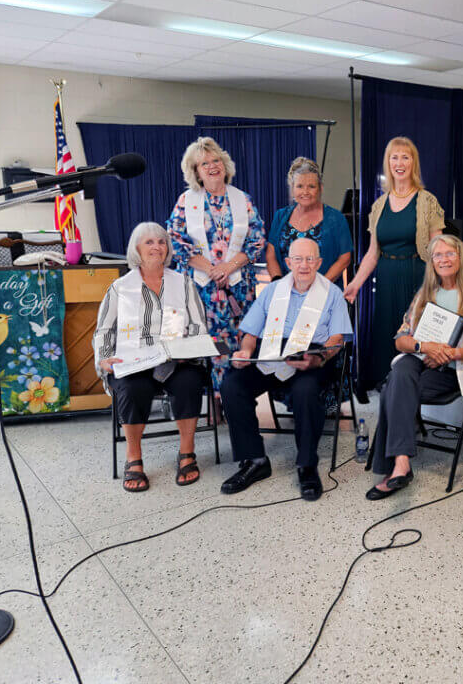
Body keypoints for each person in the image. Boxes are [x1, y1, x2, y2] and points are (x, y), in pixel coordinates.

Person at [219, 238, 352, 501]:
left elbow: (337, 339)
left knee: (306, 389)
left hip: (313, 353)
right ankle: (255, 460)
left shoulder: (333, 293)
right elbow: (250, 331)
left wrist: (318, 359)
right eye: (298, 259)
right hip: (273, 350)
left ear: (319, 262)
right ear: (288, 262)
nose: (304, 265)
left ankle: (307, 465)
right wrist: (245, 352)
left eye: (310, 259)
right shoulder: (272, 290)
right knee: (232, 385)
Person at [366, 235, 463, 500]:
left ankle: (393, 466)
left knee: (394, 384)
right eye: (438, 255)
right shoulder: (424, 295)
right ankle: (401, 463)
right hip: (419, 364)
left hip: (452, 373)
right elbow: (401, 340)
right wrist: (425, 347)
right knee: (401, 370)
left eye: (450, 254)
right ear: (432, 262)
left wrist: (448, 353)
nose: (444, 259)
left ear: (459, 258)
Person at [93, 222, 210, 492]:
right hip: (135, 361)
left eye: (161, 241)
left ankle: (187, 452)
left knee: (189, 383)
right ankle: (133, 457)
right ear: (137, 249)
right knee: (132, 388)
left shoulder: (183, 283)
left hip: (175, 360)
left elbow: (198, 325)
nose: (157, 246)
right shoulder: (120, 287)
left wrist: (185, 349)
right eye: (149, 242)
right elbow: (104, 330)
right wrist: (104, 358)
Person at [343, 137, 445, 391]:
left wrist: (443, 286)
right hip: (386, 279)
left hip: (416, 277)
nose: (400, 163)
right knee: (388, 338)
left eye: (405, 157)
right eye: (394, 157)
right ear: (388, 164)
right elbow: (372, 254)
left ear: (414, 163)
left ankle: (413, 391)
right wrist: (355, 284)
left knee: (414, 336)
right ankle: (390, 389)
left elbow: (438, 250)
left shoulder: (427, 201)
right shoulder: (378, 205)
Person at [167, 136, 266, 393]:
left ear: (224, 164)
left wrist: (228, 267)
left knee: (237, 340)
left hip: (237, 288)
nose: (212, 166)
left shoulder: (242, 199)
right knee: (203, 343)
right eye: (203, 163)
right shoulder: (185, 201)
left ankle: (235, 397)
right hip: (200, 288)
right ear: (196, 172)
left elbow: (256, 240)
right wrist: (212, 269)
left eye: (215, 160)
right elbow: (176, 241)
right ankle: (212, 400)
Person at [265, 156, 353, 285]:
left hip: (324, 294)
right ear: (292, 188)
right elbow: (271, 255)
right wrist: (278, 284)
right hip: (287, 294)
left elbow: (345, 258)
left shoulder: (336, 219)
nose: (305, 192)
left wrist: (319, 288)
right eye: (300, 186)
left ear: (320, 188)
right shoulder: (280, 216)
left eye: (311, 186)